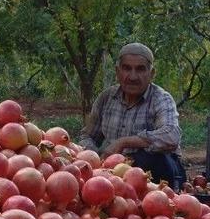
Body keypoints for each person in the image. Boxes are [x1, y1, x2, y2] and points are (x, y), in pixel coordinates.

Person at [78, 42, 186, 188]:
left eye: (140, 69)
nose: (133, 76)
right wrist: (94, 157)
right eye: (127, 68)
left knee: (155, 159)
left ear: (151, 73)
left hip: (154, 176)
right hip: (113, 173)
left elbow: (171, 135)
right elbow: (87, 136)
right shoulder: (107, 98)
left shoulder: (161, 98)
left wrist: (124, 142)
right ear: (117, 71)